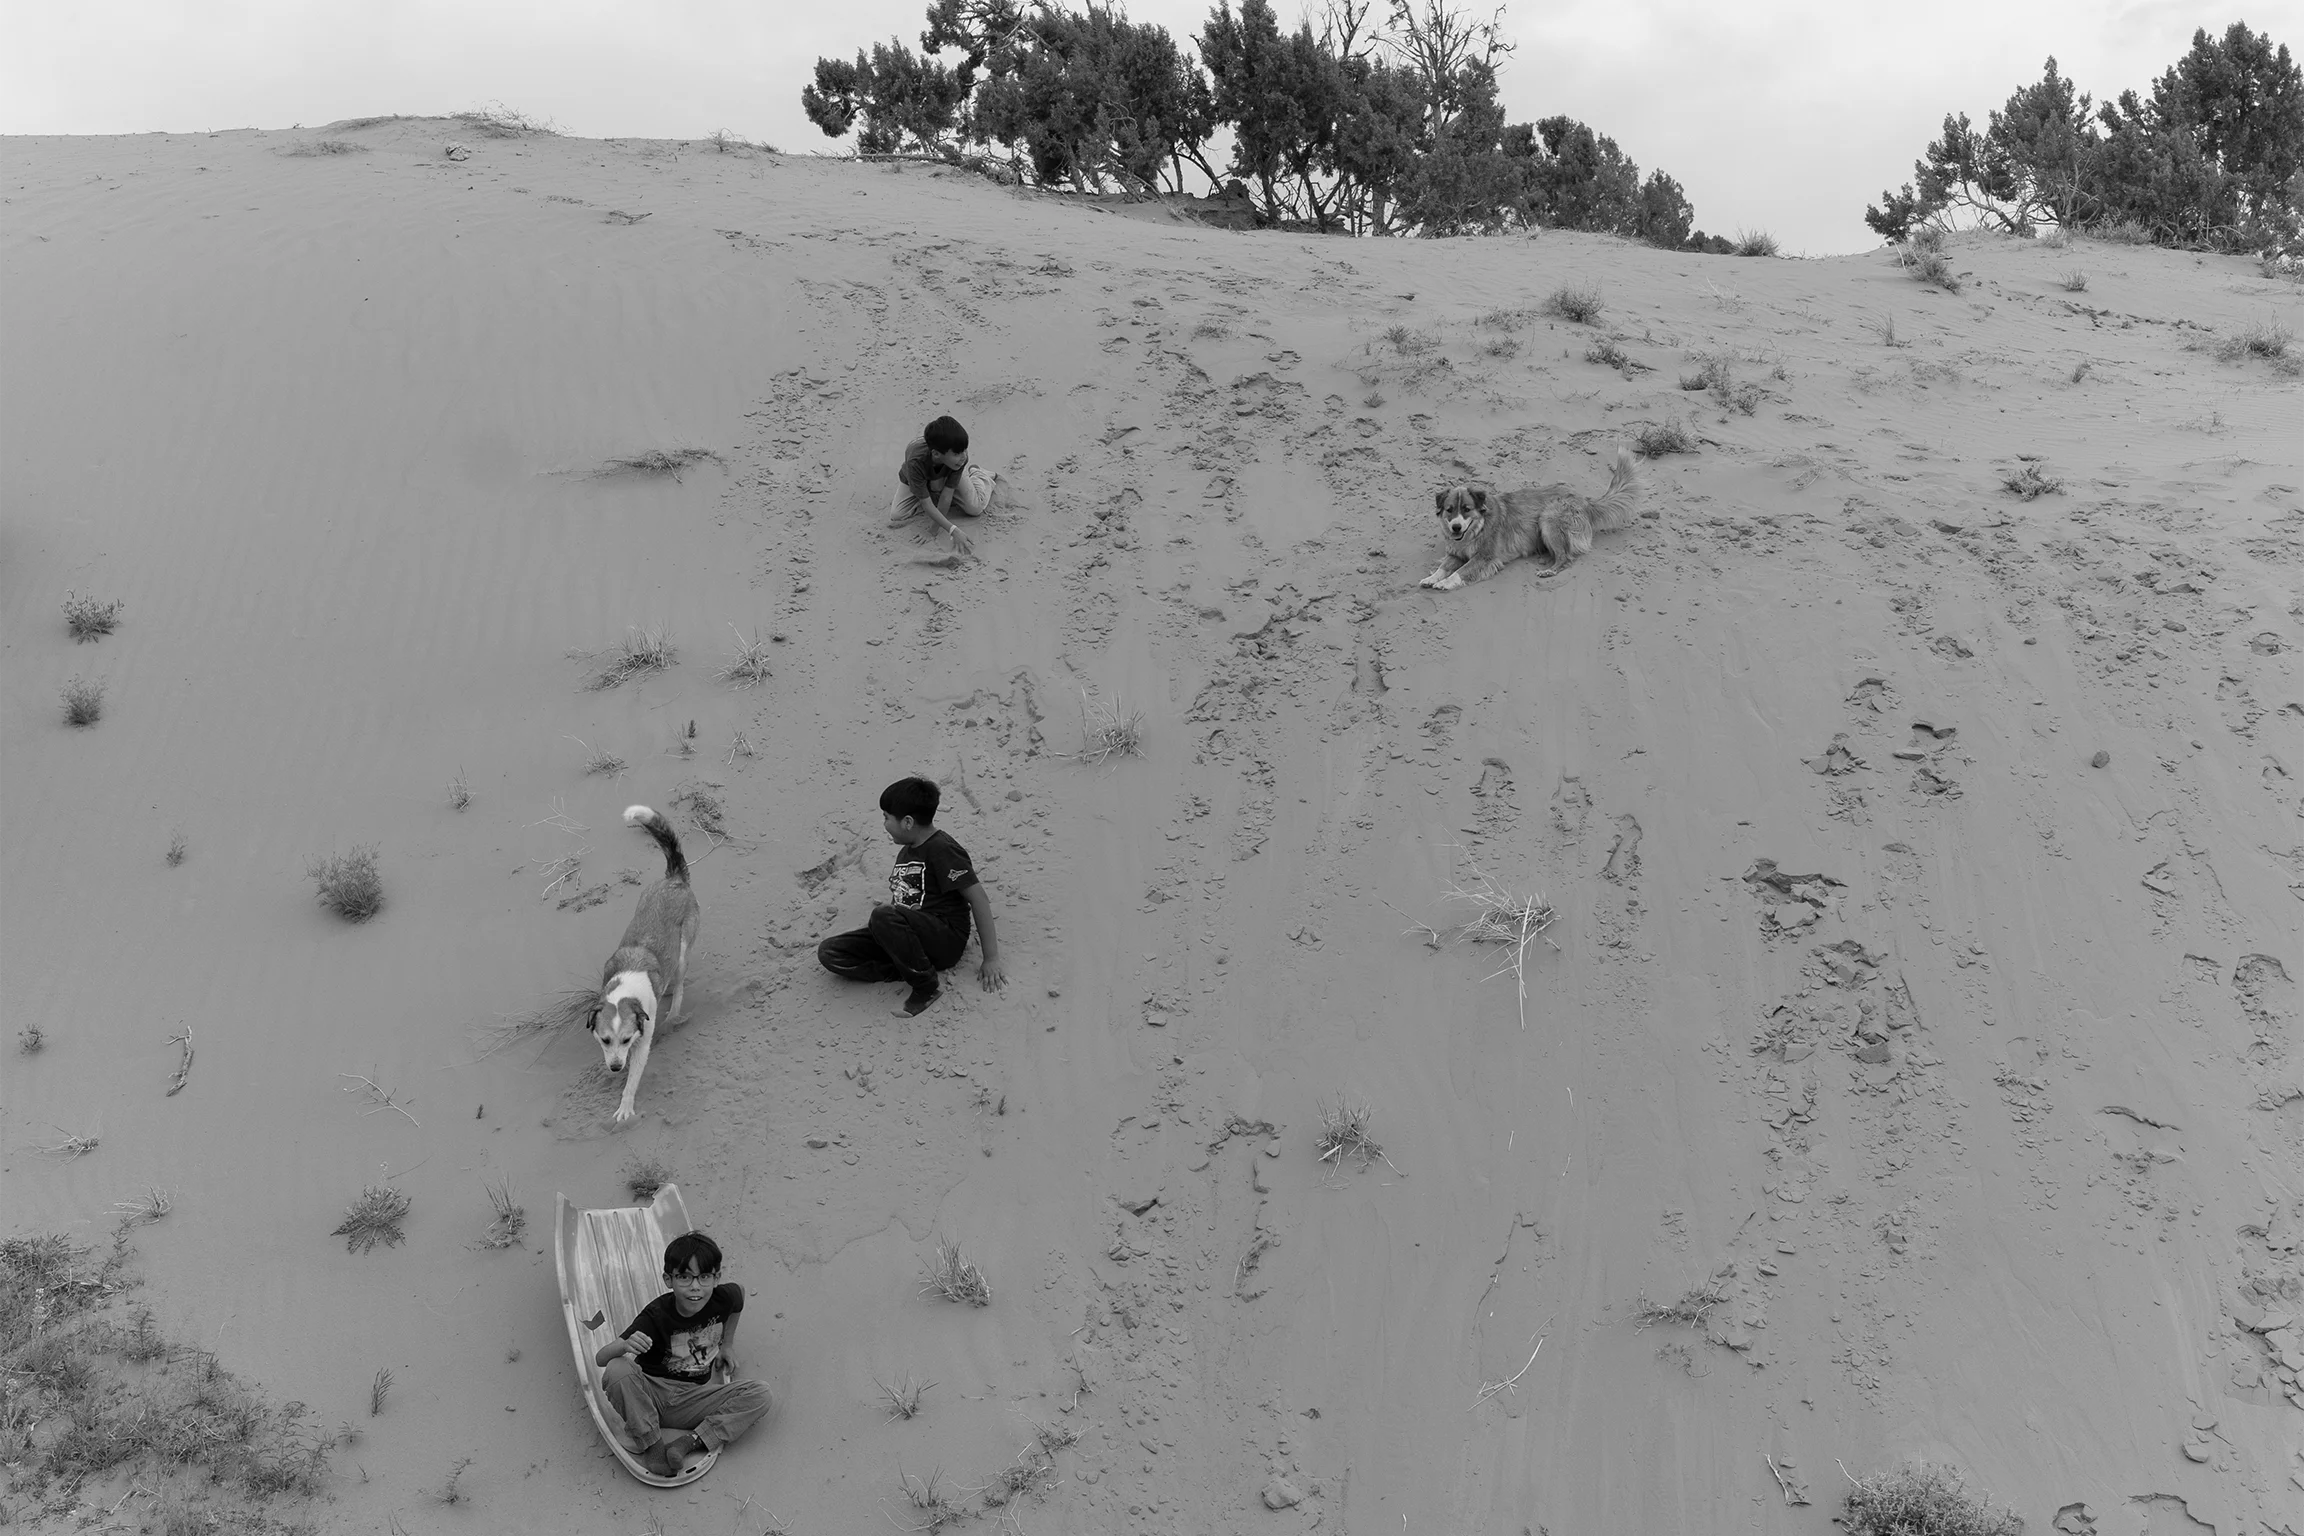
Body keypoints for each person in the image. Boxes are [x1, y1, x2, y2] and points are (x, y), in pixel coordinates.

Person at [817, 776, 1007, 1015]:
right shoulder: (907, 852)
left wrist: (991, 958)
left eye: (886, 817)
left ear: (907, 822)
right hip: (909, 936)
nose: (884, 824)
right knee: (831, 952)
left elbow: (978, 897)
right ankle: (910, 966)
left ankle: (926, 986)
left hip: (944, 939)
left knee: (883, 916)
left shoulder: (942, 849)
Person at [594, 1232, 772, 1476]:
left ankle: (688, 1442)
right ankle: (653, 1445)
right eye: (685, 1277)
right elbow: (601, 1358)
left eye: (704, 1277)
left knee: (760, 1393)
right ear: (669, 1279)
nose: (695, 1286)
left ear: (716, 1278)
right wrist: (624, 1346)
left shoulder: (724, 1297)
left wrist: (727, 1344)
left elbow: (739, 1297)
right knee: (617, 1368)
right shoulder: (656, 1315)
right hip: (650, 1396)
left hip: (693, 1399)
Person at [891, 414, 998, 559]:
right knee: (897, 515)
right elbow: (926, 503)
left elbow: (947, 496)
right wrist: (953, 530)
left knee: (975, 508)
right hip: (917, 477)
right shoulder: (915, 461)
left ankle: (979, 474)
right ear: (936, 454)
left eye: (964, 450)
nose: (964, 456)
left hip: (947, 472)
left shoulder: (959, 460)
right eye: (957, 453)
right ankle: (928, 491)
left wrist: (934, 529)